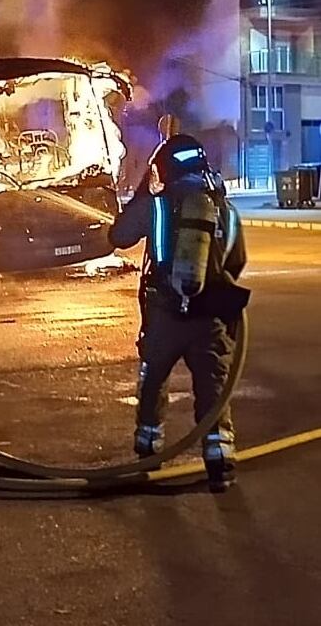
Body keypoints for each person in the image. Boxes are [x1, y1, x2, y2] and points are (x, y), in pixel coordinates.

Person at [108, 134, 249, 492]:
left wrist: (143, 192)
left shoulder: (157, 205)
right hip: (209, 318)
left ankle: (149, 449)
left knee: (153, 379)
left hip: (165, 315)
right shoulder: (223, 209)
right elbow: (237, 261)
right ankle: (220, 463)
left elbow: (118, 236)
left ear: (166, 168)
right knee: (213, 387)